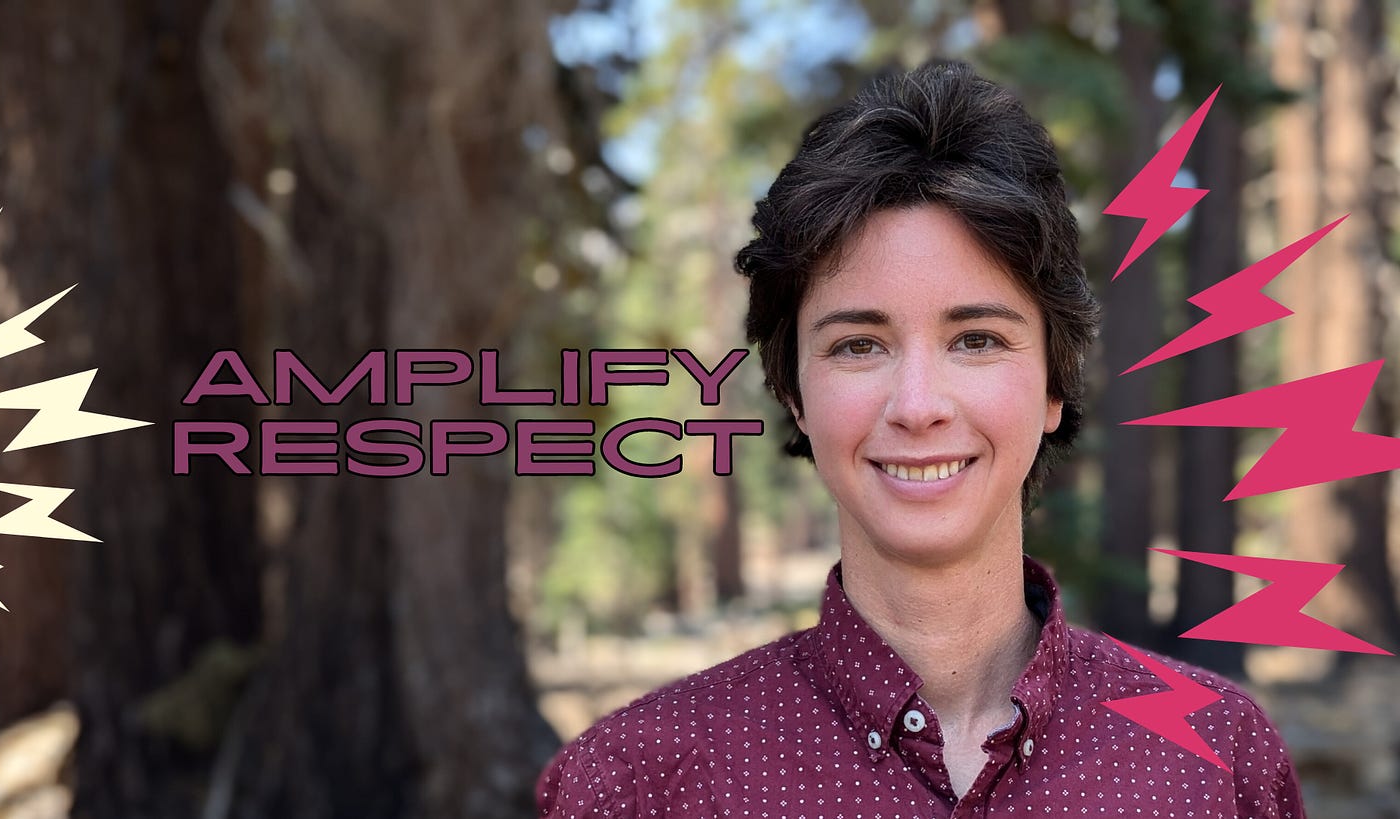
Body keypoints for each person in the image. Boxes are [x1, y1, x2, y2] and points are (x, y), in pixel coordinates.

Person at [537, 59, 1305, 818]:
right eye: (858, 345)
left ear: (1053, 384)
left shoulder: (1218, 756)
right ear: (794, 393)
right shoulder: (636, 781)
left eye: (975, 339)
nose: (917, 406)